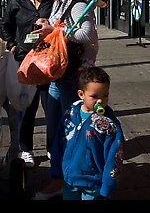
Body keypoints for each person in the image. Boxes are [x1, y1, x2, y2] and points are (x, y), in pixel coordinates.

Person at [32, 0, 99, 200]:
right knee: (56, 128)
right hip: (60, 72)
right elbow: (64, 28)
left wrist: (54, 31)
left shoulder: (77, 0)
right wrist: (47, 25)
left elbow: (86, 33)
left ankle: (68, 179)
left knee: (70, 130)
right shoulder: (61, 1)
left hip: (73, 74)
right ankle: (61, 177)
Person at [0, 0, 54, 168]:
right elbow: (6, 27)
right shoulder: (17, 0)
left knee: (52, 109)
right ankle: (25, 149)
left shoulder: (52, 0)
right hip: (25, 63)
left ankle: (52, 148)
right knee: (25, 109)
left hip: (49, 62)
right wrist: (13, 46)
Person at [50, 66, 124, 200]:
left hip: (93, 182)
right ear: (81, 94)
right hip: (70, 179)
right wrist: (56, 169)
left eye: (105, 95)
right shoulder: (70, 113)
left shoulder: (108, 124)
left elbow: (114, 156)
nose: (100, 101)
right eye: (94, 96)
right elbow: (58, 143)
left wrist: (107, 186)